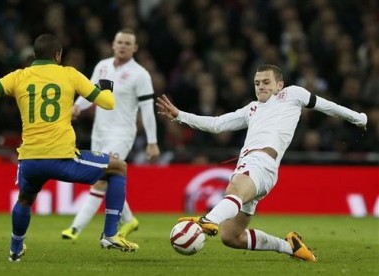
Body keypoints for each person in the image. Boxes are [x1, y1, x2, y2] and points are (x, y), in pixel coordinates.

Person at [0, 33, 139, 262]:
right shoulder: (69, 74)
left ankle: (15, 249)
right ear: (58, 55)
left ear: (34, 55)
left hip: (29, 160)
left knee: (25, 200)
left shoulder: (19, 76)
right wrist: (106, 88)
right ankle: (110, 233)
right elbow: (108, 104)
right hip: (63, 159)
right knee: (118, 167)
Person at [156, 64, 368, 262]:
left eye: (266, 82)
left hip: (261, 163)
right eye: (257, 83)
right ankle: (289, 247)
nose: (261, 87)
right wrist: (179, 115)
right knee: (231, 237)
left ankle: (208, 220)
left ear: (279, 84)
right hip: (254, 169)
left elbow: (327, 106)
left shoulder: (292, 95)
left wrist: (358, 118)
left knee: (234, 189)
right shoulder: (252, 109)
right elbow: (216, 124)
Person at [61, 28, 160, 241]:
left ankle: (75, 229)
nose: (123, 46)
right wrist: (78, 107)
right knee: (108, 176)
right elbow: (91, 93)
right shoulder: (102, 66)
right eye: (120, 42)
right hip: (100, 132)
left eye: (127, 43)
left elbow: (147, 110)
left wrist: (152, 142)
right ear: (113, 45)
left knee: (101, 176)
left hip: (122, 133)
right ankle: (129, 220)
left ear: (135, 48)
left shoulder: (140, 74)